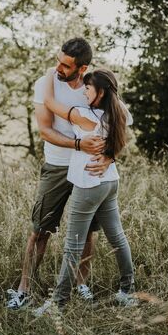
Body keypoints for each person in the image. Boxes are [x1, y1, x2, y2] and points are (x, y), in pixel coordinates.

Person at [7, 38, 116, 310]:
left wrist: (109, 156)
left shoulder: (95, 86)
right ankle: (24, 289)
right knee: (40, 228)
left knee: (88, 232)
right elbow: (45, 130)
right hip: (56, 166)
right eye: (59, 60)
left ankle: (80, 285)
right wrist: (78, 144)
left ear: (82, 68)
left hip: (89, 168)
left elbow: (116, 124)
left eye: (66, 65)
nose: (59, 67)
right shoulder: (46, 84)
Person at [34, 67, 137, 315]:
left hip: (88, 183)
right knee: (117, 238)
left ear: (99, 92)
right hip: (109, 181)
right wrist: (111, 157)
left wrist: (50, 74)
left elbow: (48, 102)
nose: (84, 92)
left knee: (73, 245)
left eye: (88, 88)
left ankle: (58, 304)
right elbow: (125, 121)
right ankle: (127, 291)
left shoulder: (83, 115)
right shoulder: (119, 111)